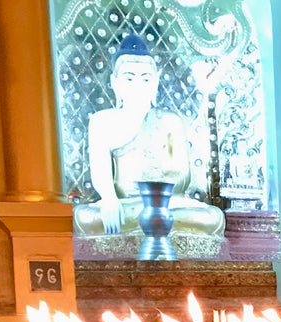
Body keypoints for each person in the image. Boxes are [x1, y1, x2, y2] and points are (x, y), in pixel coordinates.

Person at [72, 33, 225, 239]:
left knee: (212, 217)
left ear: (155, 82)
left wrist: (156, 183)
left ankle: (153, 216)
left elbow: (181, 176)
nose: (138, 84)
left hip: (166, 202)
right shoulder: (103, 121)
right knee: (85, 217)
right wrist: (109, 199)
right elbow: (100, 172)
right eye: (129, 78)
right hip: (126, 204)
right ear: (115, 82)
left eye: (145, 78)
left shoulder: (170, 122)